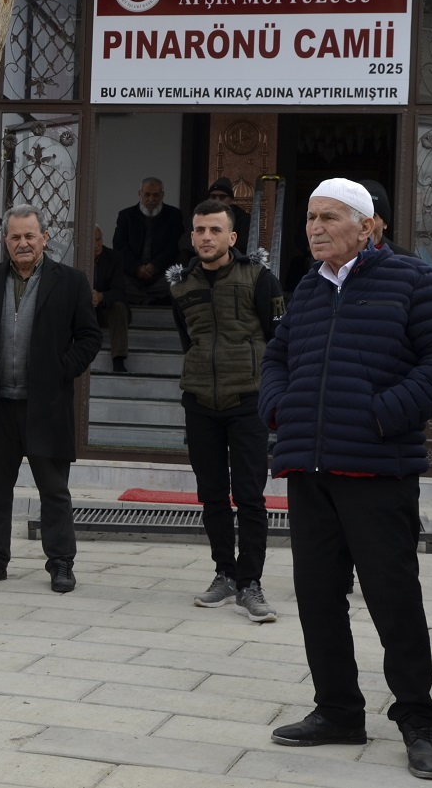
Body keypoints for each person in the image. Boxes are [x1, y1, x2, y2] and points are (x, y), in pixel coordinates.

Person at [259, 178, 432, 781]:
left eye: (329, 217)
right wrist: (279, 408)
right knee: (318, 597)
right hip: (310, 470)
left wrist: (384, 413)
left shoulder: (412, 280)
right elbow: (276, 357)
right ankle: (338, 712)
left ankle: (417, 721)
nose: (315, 228)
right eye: (310, 218)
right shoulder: (306, 288)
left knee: (393, 600)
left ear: (368, 225)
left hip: (378, 471)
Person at [0, 206, 101, 594]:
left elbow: (90, 337)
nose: (22, 243)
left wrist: (62, 369)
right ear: (4, 241)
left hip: (47, 406)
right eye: (14, 237)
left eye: (29, 236)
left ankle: (60, 562)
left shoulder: (71, 282)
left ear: (44, 238)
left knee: (54, 490)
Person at [167, 199, 284, 624]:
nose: (206, 238)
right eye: (199, 230)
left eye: (215, 230)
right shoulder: (180, 285)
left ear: (232, 237)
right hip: (199, 402)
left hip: (247, 401)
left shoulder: (259, 278)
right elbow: (189, 340)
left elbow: (279, 337)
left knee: (250, 496)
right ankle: (225, 573)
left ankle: (251, 583)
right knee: (212, 495)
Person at [112, 177, 185, 305]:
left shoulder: (174, 215)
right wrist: (137, 268)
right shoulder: (126, 216)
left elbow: (174, 246)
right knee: (118, 283)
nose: (151, 199)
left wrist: (155, 266)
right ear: (140, 194)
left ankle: (141, 298)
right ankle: (151, 300)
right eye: (147, 194)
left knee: (176, 283)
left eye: (156, 195)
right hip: (132, 274)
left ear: (162, 195)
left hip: (161, 273)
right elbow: (119, 246)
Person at [92, 226, 131, 373]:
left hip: (105, 310)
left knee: (119, 307)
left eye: (99, 239)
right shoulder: (77, 255)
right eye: (92, 241)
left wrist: (101, 296)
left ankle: (118, 360)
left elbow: (120, 292)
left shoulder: (114, 257)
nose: (97, 244)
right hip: (85, 309)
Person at [358, 179, 413, 256]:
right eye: (360, 215)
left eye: (373, 216)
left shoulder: (407, 261)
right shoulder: (338, 258)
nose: (366, 224)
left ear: (385, 223)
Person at [206, 176, 253, 249]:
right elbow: (187, 242)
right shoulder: (201, 215)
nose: (217, 200)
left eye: (222, 197)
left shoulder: (242, 218)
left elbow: (244, 244)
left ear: (231, 200)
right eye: (213, 196)